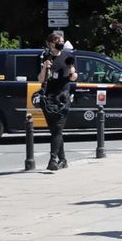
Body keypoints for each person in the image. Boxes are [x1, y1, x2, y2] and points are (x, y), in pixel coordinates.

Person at [36, 30, 76, 171]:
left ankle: (53, 160)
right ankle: (63, 160)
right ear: (50, 43)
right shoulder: (45, 57)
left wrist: (73, 73)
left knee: (58, 129)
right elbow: (41, 79)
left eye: (61, 41)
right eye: (56, 41)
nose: (59, 43)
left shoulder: (67, 56)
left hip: (63, 97)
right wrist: (45, 67)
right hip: (49, 98)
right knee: (55, 131)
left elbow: (73, 76)